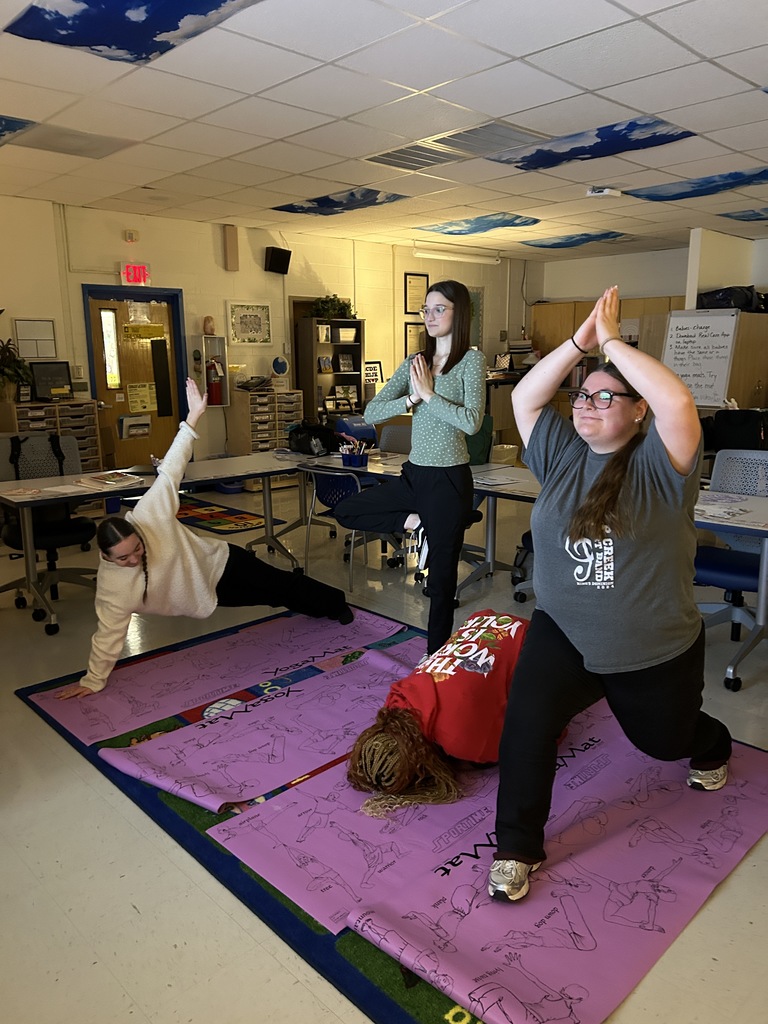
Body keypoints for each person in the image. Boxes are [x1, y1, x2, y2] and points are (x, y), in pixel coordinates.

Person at [489, 285, 732, 903]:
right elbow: (524, 395)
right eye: (583, 395)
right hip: (562, 630)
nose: (588, 404)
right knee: (526, 723)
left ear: (637, 409)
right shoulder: (562, 455)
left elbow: (676, 397)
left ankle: (713, 743)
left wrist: (614, 342)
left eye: (607, 396)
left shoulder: (662, 464)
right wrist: (579, 343)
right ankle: (517, 846)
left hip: (650, 645)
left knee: (665, 743)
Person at [57, 378, 353, 699]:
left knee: (281, 585)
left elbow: (171, 468)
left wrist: (193, 417)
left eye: (137, 549)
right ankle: (315, 608)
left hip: (221, 560)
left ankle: (335, 604)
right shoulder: (112, 589)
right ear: (106, 557)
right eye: (124, 558)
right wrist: (92, 680)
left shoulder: (148, 515)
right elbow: (107, 635)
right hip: (208, 594)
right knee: (272, 596)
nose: (134, 559)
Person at [334, 280, 486, 654]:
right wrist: (412, 397)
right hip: (414, 475)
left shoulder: (471, 361)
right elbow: (371, 412)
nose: (429, 316)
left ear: (459, 313)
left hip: (449, 479)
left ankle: (434, 660)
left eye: (439, 309)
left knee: (442, 582)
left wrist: (430, 395)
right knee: (347, 510)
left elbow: (471, 422)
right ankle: (415, 525)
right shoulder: (414, 363)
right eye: (425, 309)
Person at [347, 609, 529, 815]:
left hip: (534, 643)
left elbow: (533, 739)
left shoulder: (463, 744)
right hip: (486, 620)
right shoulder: (395, 703)